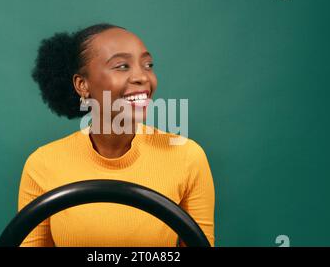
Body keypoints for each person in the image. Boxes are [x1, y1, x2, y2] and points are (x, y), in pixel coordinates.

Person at [19, 23, 215, 247]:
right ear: (82, 85)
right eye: (122, 66)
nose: (142, 77)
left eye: (148, 65)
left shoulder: (188, 157)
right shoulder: (42, 164)